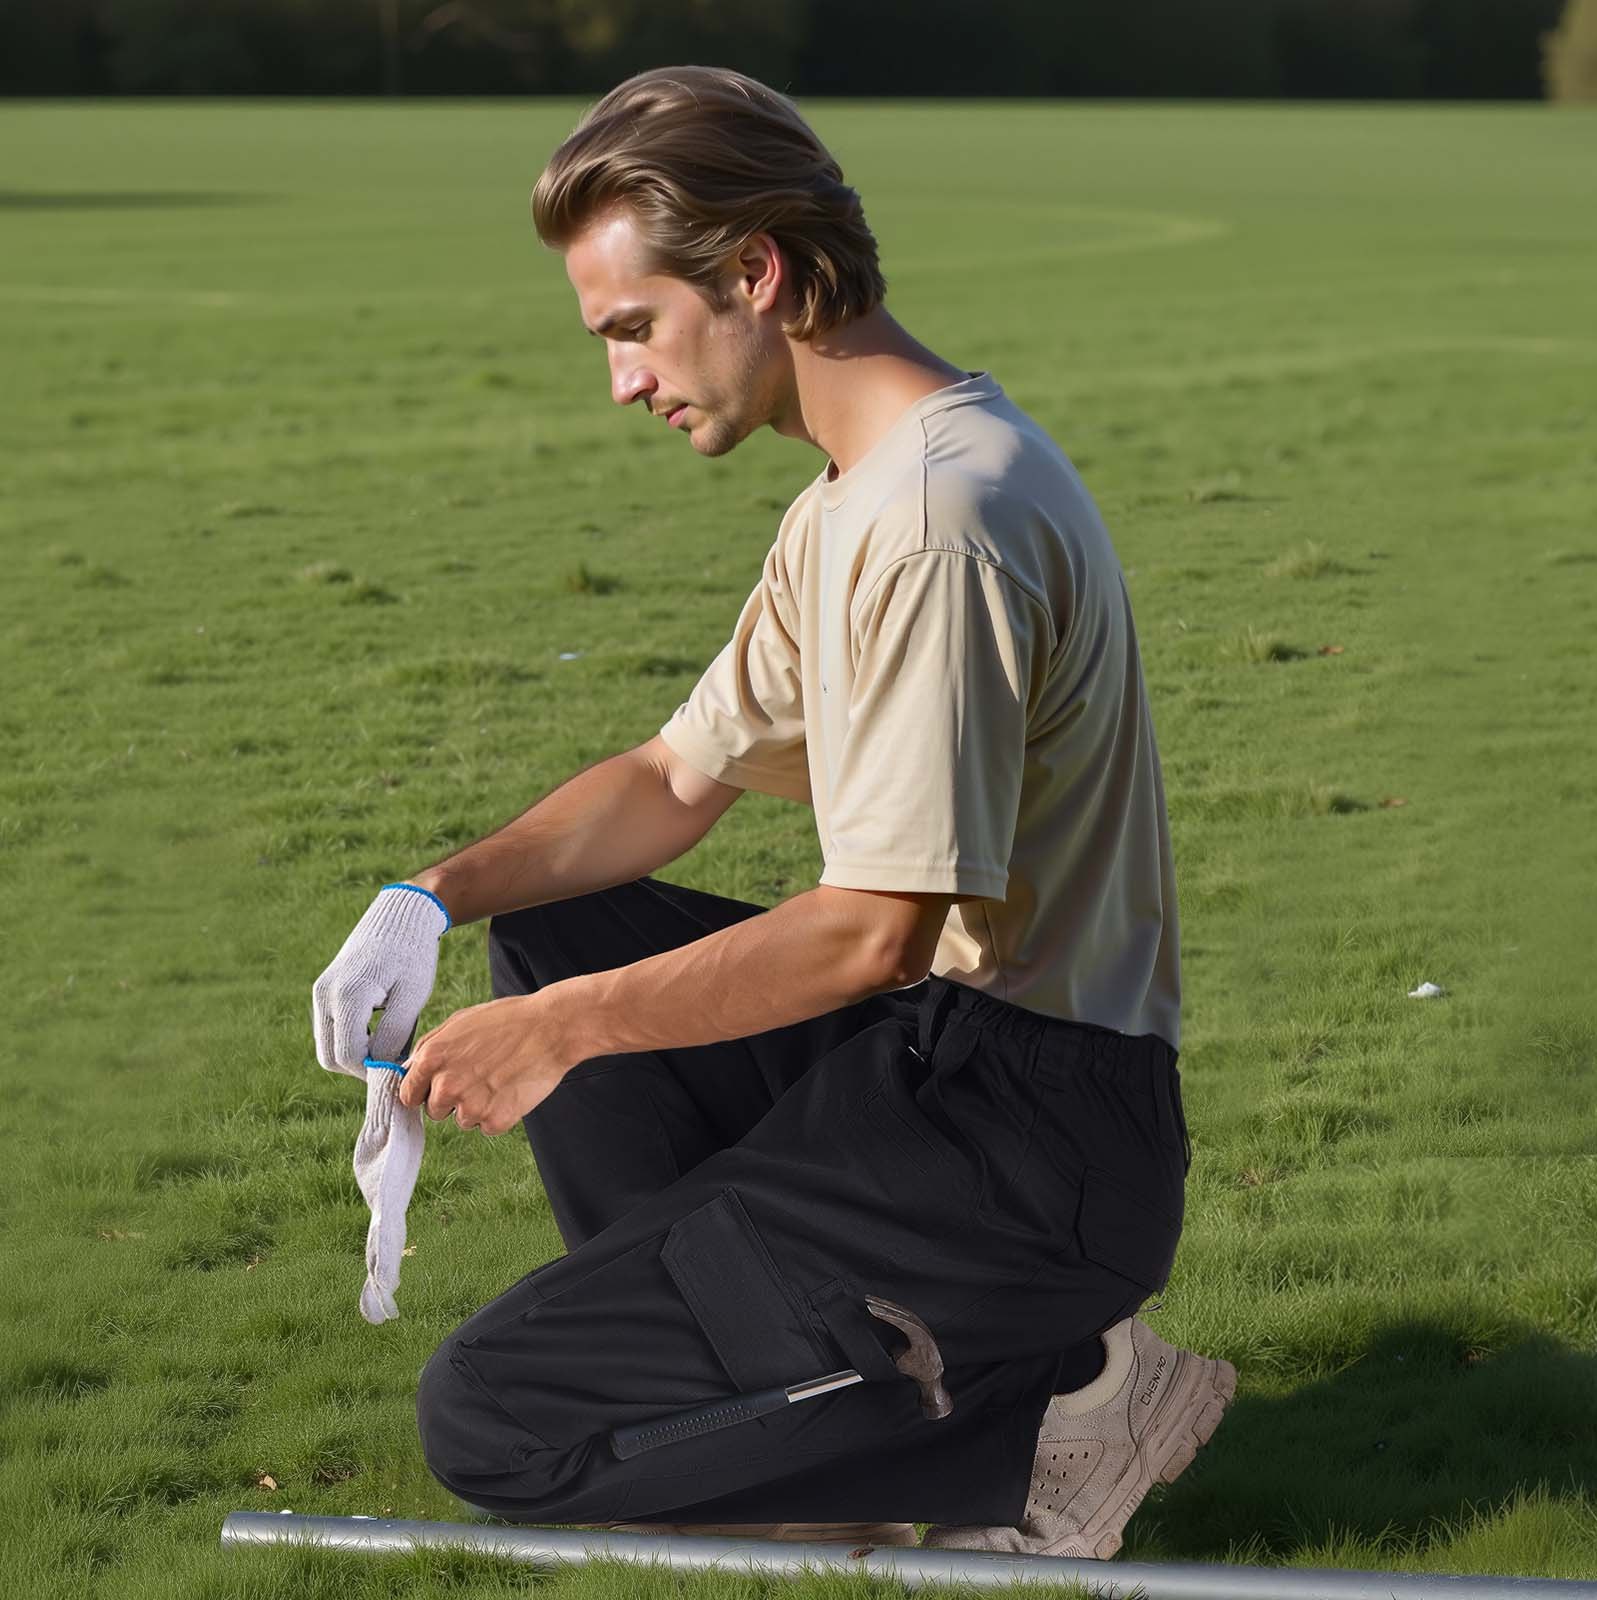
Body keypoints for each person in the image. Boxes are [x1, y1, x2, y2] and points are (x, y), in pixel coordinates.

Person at [311, 65, 1234, 1557]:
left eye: (633, 329)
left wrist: (565, 1030)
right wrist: (430, 895)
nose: (621, 380)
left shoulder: (941, 522)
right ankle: (812, 1378)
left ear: (756, 272)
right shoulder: (857, 500)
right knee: (558, 926)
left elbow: (873, 932)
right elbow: (678, 779)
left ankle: (1045, 1429)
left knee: (492, 1422)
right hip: (950, 1066)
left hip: (1034, 1140)